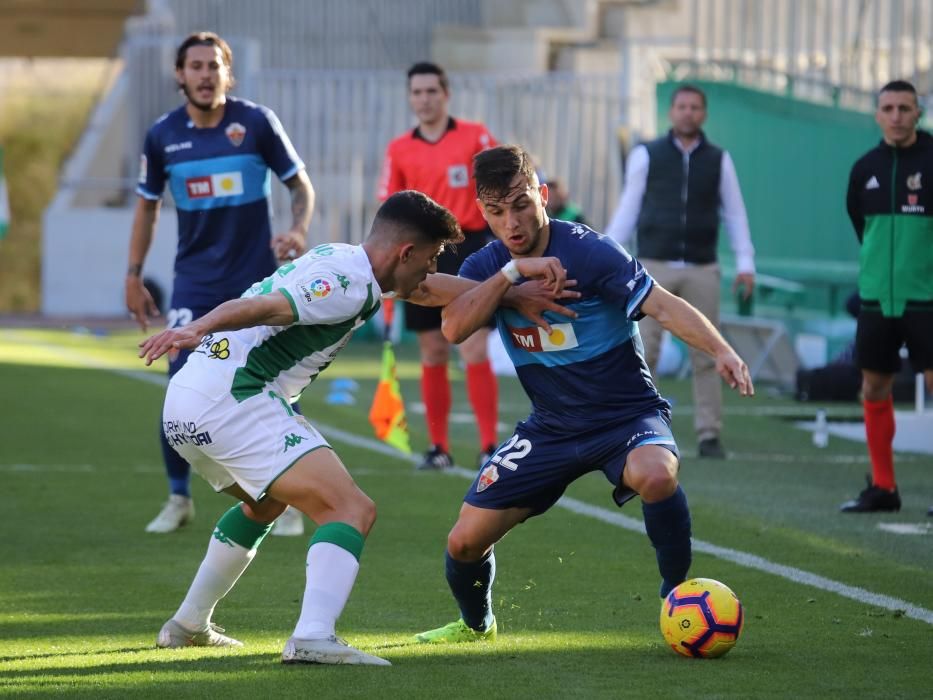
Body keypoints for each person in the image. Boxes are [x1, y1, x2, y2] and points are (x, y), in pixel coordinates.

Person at [414, 144, 753, 645]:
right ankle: (476, 624)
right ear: (481, 212)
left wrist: (721, 349)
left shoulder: (590, 252)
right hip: (551, 426)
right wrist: (510, 280)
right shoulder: (486, 264)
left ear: (543, 195)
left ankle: (676, 594)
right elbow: (454, 327)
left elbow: (662, 305)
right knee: (463, 541)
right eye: (497, 211)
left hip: (625, 416)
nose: (512, 222)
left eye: (522, 204)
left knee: (656, 476)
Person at [136, 190, 464, 665]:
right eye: (431, 258)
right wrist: (198, 327)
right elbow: (269, 307)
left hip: (188, 400)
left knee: (265, 503)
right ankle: (313, 636)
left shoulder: (345, 258)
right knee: (351, 509)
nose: (430, 271)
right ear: (405, 252)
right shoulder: (348, 284)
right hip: (232, 397)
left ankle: (187, 624)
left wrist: (510, 287)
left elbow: (426, 291)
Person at [127, 31, 315, 535]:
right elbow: (147, 206)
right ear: (179, 74)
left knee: (272, 387)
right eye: (195, 66)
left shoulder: (256, 124)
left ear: (226, 72)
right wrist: (132, 273)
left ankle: (287, 496)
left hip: (257, 283)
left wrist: (297, 230)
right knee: (179, 391)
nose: (205, 74)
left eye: (213, 65)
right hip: (194, 281)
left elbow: (300, 184)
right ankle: (178, 497)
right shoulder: (163, 135)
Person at [605, 84, 755, 459]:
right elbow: (628, 209)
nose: (688, 113)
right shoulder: (646, 155)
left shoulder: (719, 159)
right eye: (682, 106)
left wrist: (746, 262)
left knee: (707, 353)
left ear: (704, 114)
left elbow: (735, 213)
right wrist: (605, 254)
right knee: (644, 351)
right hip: (653, 267)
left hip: (703, 266)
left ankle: (709, 433)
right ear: (671, 112)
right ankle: (637, 428)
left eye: (695, 107)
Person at [378, 61, 500, 471]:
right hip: (420, 254)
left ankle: (488, 445)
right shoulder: (399, 149)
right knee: (432, 350)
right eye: (417, 92)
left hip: (472, 249)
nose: (424, 99)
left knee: (474, 344)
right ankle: (439, 447)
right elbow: (389, 210)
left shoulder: (475, 136)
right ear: (410, 98)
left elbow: (499, 183)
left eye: (432, 91)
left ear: (446, 94)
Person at [840, 80, 933, 516]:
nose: (896, 116)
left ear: (919, 112)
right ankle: (883, 487)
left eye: (905, 108)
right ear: (877, 114)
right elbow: (863, 227)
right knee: (873, 387)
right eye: (888, 108)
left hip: (926, 299)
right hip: (877, 299)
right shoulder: (863, 168)